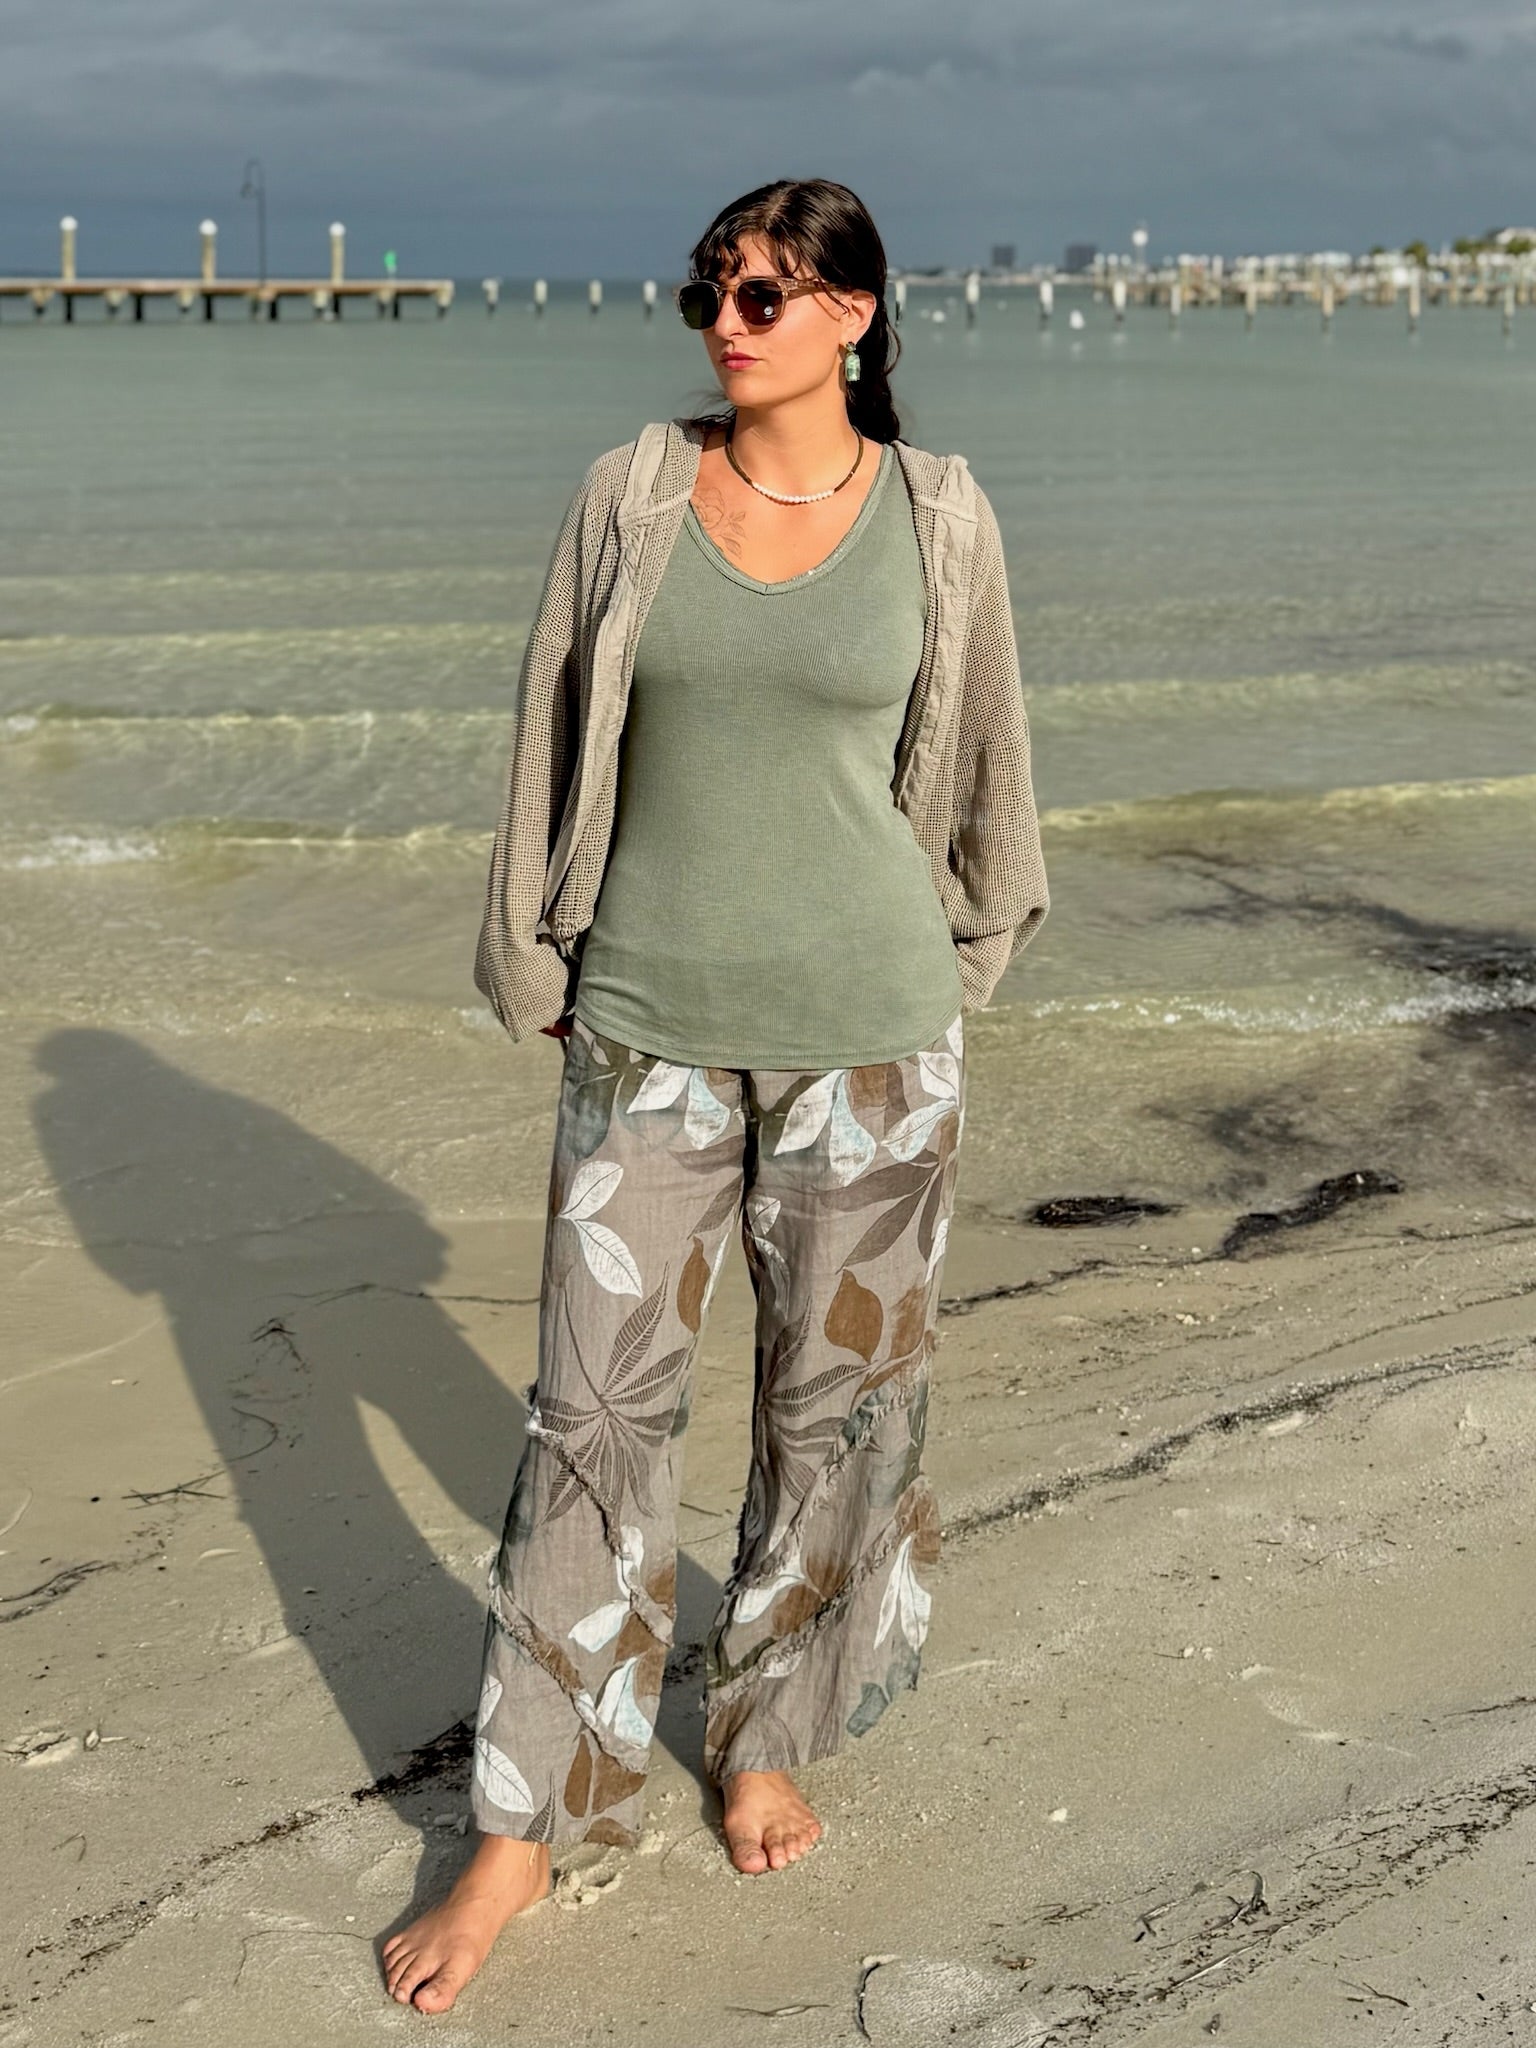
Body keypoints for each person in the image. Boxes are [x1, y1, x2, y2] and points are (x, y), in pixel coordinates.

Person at [383, 176, 1049, 2014]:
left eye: (761, 291)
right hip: (647, 1028)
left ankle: (764, 1731)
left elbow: (981, 755)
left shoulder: (942, 514)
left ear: (851, 314)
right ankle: (523, 1821)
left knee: (834, 1410)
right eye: (708, 292)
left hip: (872, 1037)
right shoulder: (631, 493)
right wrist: (536, 954)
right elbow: (548, 720)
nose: (726, 320)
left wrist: (955, 966)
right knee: (592, 1417)